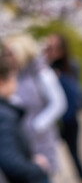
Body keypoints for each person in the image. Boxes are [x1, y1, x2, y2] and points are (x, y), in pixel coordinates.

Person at [4, 34, 66, 179]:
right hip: (19, 137)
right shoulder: (15, 73)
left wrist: (38, 124)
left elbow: (58, 102)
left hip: (39, 137)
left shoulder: (41, 72)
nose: (8, 58)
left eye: (11, 54)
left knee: (40, 172)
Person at [0, 42, 49, 183]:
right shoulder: (4, 115)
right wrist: (36, 168)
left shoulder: (39, 73)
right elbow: (9, 160)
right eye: (13, 77)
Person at [45, 34, 82, 183]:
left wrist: (59, 77)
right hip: (51, 122)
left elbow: (76, 92)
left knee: (74, 154)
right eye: (48, 47)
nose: (50, 50)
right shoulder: (43, 68)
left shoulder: (72, 66)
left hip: (69, 120)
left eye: (54, 47)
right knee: (47, 155)